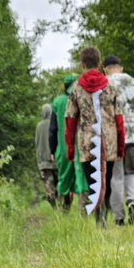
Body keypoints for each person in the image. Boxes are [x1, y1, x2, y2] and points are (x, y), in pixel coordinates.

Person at [64, 46, 125, 224]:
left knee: (93, 183)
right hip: (109, 143)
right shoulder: (111, 87)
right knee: (106, 181)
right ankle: (103, 218)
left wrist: (70, 148)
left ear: (82, 65)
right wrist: (121, 146)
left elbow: (70, 121)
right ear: (99, 64)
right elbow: (119, 119)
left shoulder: (76, 88)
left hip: (87, 143)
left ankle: (100, 221)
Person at [103, 54, 134, 226]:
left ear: (105, 70)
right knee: (131, 172)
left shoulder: (103, 84)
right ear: (121, 68)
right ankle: (132, 201)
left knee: (116, 176)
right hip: (132, 136)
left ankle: (119, 218)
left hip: (112, 138)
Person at [49, 74, 86, 210]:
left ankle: (63, 210)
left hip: (63, 148)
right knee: (83, 178)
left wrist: (52, 150)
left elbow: (53, 129)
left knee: (64, 178)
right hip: (83, 147)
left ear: (65, 86)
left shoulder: (57, 102)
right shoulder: (86, 100)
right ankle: (84, 209)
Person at [35, 103, 57, 207]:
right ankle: (62, 204)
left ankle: (53, 205)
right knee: (59, 181)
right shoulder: (55, 124)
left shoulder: (39, 126)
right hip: (55, 159)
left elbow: (37, 142)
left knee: (49, 182)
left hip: (43, 160)